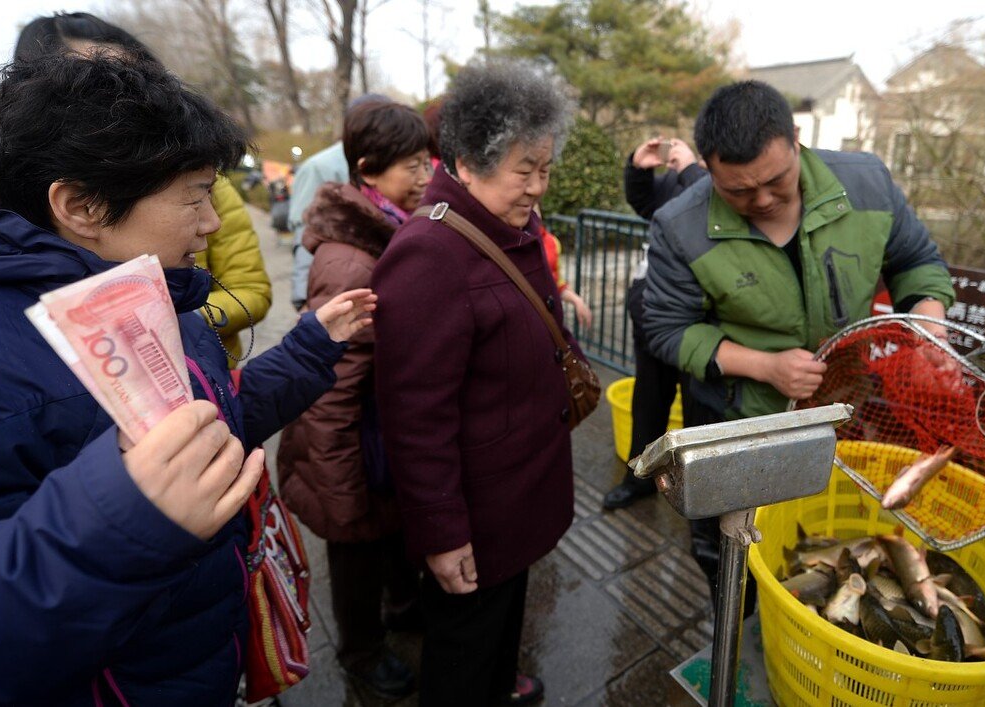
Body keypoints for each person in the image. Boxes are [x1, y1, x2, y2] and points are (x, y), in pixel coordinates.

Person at [0, 54, 375, 705]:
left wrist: (309, 350)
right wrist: (120, 520)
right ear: (81, 204)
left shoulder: (150, 287)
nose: (213, 223)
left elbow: (215, 417)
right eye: (194, 195)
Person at [643, 80, 955, 614]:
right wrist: (763, 366)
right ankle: (735, 628)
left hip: (839, 408)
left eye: (775, 181)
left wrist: (929, 315)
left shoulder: (867, 184)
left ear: (795, 139)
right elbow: (668, 329)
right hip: (732, 419)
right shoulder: (679, 225)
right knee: (725, 550)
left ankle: (789, 627)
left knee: (808, 541)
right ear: (708, 169)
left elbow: (915, 261)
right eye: (738, 191)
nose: (762, 200)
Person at [372, 60, 578, 707]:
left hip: (517, 495)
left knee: (499, 632)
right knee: (461, 654)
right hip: (478, 514)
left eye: (545, 168)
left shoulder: (506, 227)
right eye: (525, 169)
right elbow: (414, 416)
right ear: (467, 161)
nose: (538, 187)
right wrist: (441, 531)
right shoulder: (428, 254)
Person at [276, 100, 432, 698]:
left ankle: (399, 608)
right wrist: (338, 474)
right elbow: (335, 381)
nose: (425, 178)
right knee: (354, 551)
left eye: (427, 163)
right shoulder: (351, 262)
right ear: (369, 169)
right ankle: (361, 652)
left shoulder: (383, 232)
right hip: (347, 435)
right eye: (412, 166)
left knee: (385, 536)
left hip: (375, 430)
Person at [14, 11, 273, 367]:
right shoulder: (3, 234)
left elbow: (252, 289)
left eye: (135, 79)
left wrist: (173, 323)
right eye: (95, 83)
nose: (209, 223)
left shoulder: (201, 187)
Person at [602, 136, 708, 509]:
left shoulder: (724, 187)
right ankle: (641, 480)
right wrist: (637, 167)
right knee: (648, 399)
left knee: (700, 409)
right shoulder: (679, 182)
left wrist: (692, 169)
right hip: (652, 311)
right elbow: (644, 202)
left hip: (701, 324)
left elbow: (709, 211)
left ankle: (698, 494)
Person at [289, 93, 391, 309]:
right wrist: (302, 299)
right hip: (336, 285)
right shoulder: (319, 166)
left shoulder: (394, 159)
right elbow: (306, 232)